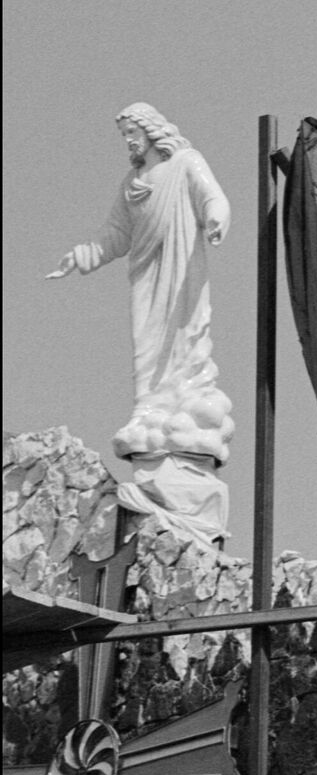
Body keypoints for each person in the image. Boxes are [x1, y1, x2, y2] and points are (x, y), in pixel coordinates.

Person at [48, 103, 234, 544]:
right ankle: (151, 414)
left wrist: (215, 217)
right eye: (125, 136)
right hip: (146, 277)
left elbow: (213, 196)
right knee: (147, 352)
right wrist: (82, 256)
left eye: (133, 132)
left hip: (181, 272)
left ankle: (182, 431)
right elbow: (115, 235)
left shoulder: (185, 163)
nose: (130, 142)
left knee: (184, 342)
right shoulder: (132, 183)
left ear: (151, 132)